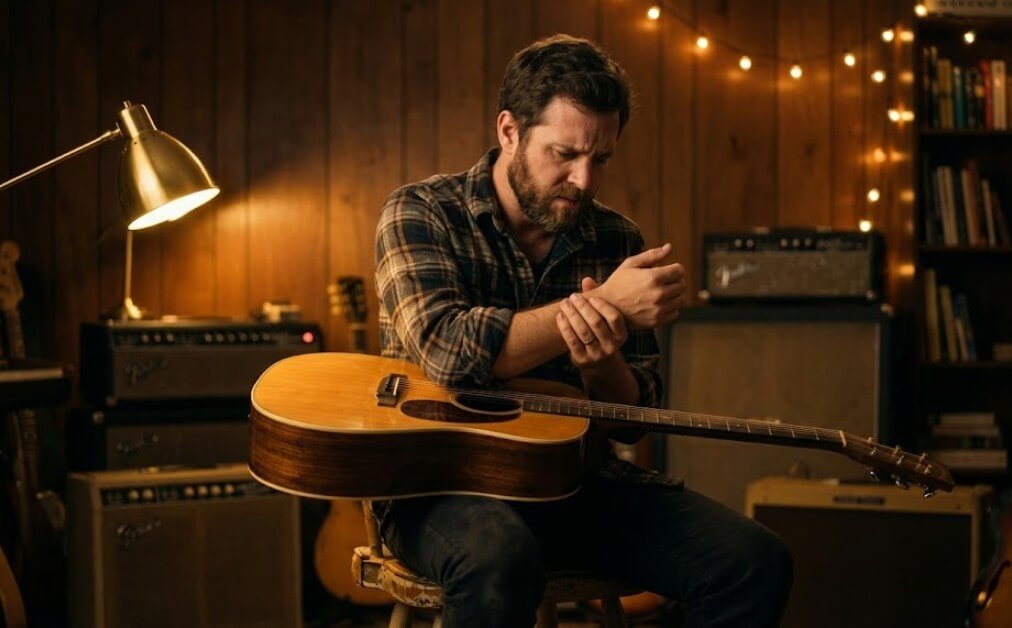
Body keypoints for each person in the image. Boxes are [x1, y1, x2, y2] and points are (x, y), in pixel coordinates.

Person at [373, 34, 792, 628]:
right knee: (498, 558)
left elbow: (633, 418)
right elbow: (446, 352)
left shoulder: (618, 238)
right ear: (510, 131)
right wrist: (607, 303)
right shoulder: (420, 212)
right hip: (438, 484)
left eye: (602, 159)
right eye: (565, 154)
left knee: (755, 562)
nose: (584, 179)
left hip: (572, 481)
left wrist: (602, 367)